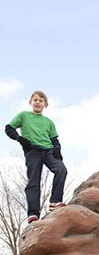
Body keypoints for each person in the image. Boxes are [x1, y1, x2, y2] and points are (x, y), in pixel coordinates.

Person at [5, 90, 68, 224]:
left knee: (61, 169)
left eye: (41, 101)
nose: (38, 102)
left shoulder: (49, 122)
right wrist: (20, 139)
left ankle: (55, 201)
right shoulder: (24, 115)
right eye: (35, 100)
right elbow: (9, 128)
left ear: (46, 104)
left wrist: (57, 148)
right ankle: (33, 213)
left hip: (49, 150)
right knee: (34, 181)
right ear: (30, 102)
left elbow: (54, 138)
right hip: (32, 150)